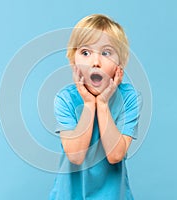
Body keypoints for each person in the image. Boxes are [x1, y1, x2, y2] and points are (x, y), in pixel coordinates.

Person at [49, 14, 141, 200]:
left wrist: (103, 104)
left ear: (119, 64)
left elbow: (115, 155)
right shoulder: (65, 99)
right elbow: (76, 156)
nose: (95, 62)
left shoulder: (129, 98)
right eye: (85, 52)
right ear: (73, 62)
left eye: (106, 53)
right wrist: (90, 104)